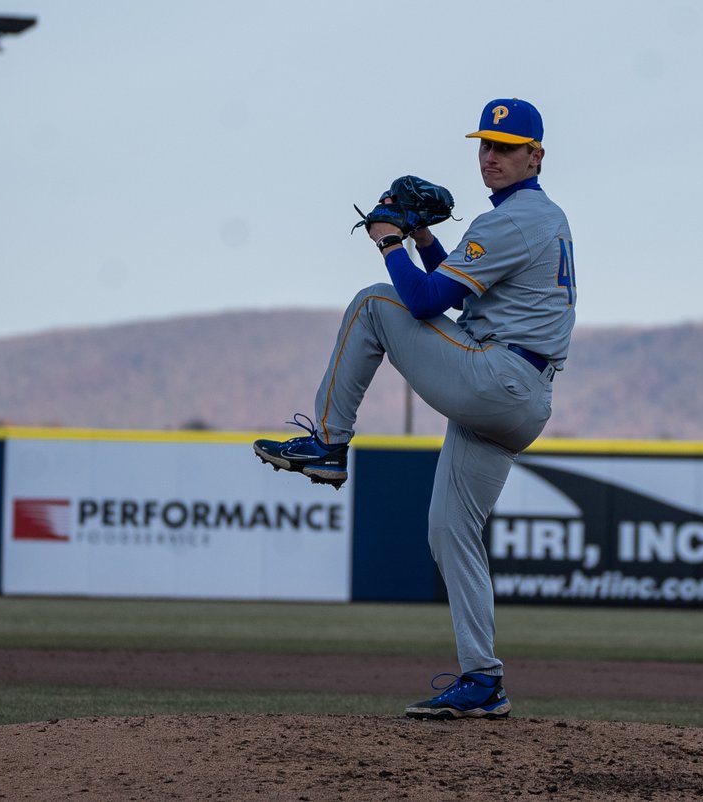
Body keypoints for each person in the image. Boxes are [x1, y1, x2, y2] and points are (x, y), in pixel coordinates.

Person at [254, 97, 576, 719]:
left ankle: (328, 440)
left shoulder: (511, 221)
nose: (490, 157)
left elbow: (425, 303)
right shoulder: (537, 218)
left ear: (536, 155)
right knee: (451, 532)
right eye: (485, 145)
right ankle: (483, 680)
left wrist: (390, 241)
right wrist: (426, 239)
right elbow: (458, 292)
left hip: (497, 376)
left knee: (376, 301)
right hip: (519, 395)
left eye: (505, 148)